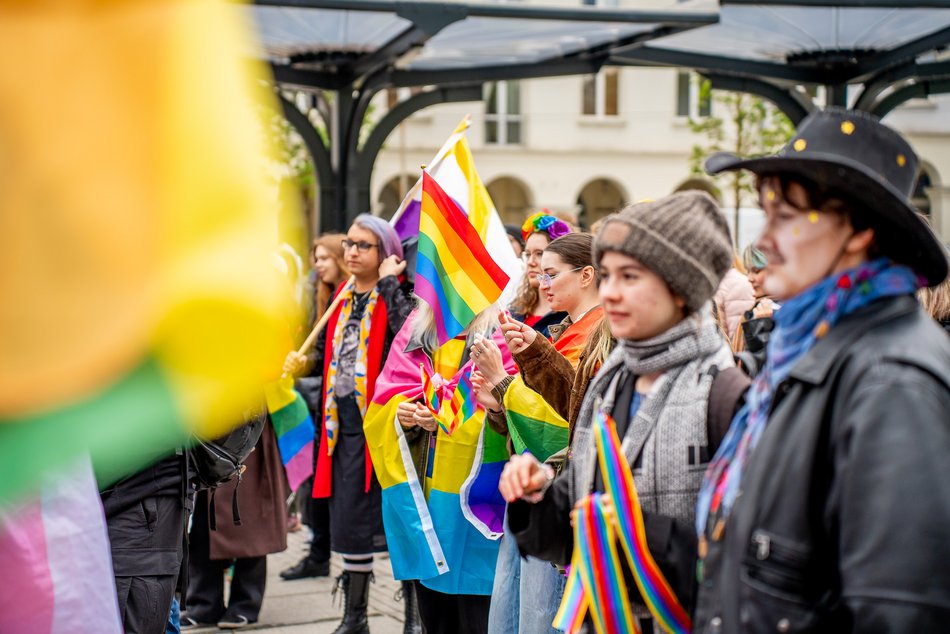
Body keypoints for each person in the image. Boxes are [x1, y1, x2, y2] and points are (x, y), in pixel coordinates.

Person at [693, 107, 950, 631]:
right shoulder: (807, 347)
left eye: (784, 217)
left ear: (856, 233)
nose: (763, 243)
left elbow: (898, 611)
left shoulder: (892, 378)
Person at [499, 191, 737, 631]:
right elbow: (576, 522)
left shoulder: (726, 394)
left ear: (682, 285)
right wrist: (541, 494)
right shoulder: (612, 381)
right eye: (606, 276)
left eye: (630, 276)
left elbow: (742, 559)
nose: (610, 292)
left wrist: (629, 529)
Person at [284, 215, 413, 634]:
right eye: (349, 243)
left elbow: (408, 341)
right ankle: (355, 617)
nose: (352, 251)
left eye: (363, 245)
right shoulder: (340, 296)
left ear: (385, 254)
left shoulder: (397, 292)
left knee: (402, 521)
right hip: (344, 429)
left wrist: (392, 282)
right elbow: (324, 356)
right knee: (352, 523)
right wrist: (303, 361)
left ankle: (416, 619)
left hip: (389, 427)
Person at [470, 233, 606, 634]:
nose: (541, 282)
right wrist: (499, 402)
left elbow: (564, 423)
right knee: (517, 606)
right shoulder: (564, 329)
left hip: (558, 489)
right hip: (532, 486)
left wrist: (501, 384)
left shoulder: (598, 334)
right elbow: (536, 410)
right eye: (540, 273)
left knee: (540, 613)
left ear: (586, 275)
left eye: (551, 273)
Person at [364, 304, 516, 634]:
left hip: (475, 497)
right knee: (433, 606)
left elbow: (510, 406)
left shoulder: (501, 332)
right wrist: (404, 410)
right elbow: (387, 394)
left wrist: (445, 419)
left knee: (476, 611)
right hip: (426, 493)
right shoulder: (415, 329)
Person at [281, 233, 350, 581]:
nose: (318, 264)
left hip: (340, 406)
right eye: (315, 258)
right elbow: (320, 351)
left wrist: (307, 360)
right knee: (313, 480)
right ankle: (318, 549)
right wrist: (301, 360)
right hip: (321, 401)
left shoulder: (349, 295)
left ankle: (326, 550)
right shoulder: (322, 295)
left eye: (324, 257)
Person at [183, 413, 288, 630]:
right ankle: (203, 603)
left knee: (252, 522)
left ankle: (246, 602)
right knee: (201, 524)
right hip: (206, 426)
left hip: (250, 425)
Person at [508, 212, 572, 337]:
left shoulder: (569, 315)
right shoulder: (517, 309)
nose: (531, 262)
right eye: (527, 254)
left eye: (539, 253)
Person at [731, 244, 779, 375]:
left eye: (756, 271)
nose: (749, 278)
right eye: (748, 271)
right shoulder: (757, 307)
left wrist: (763, 327)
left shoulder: (781, 311)